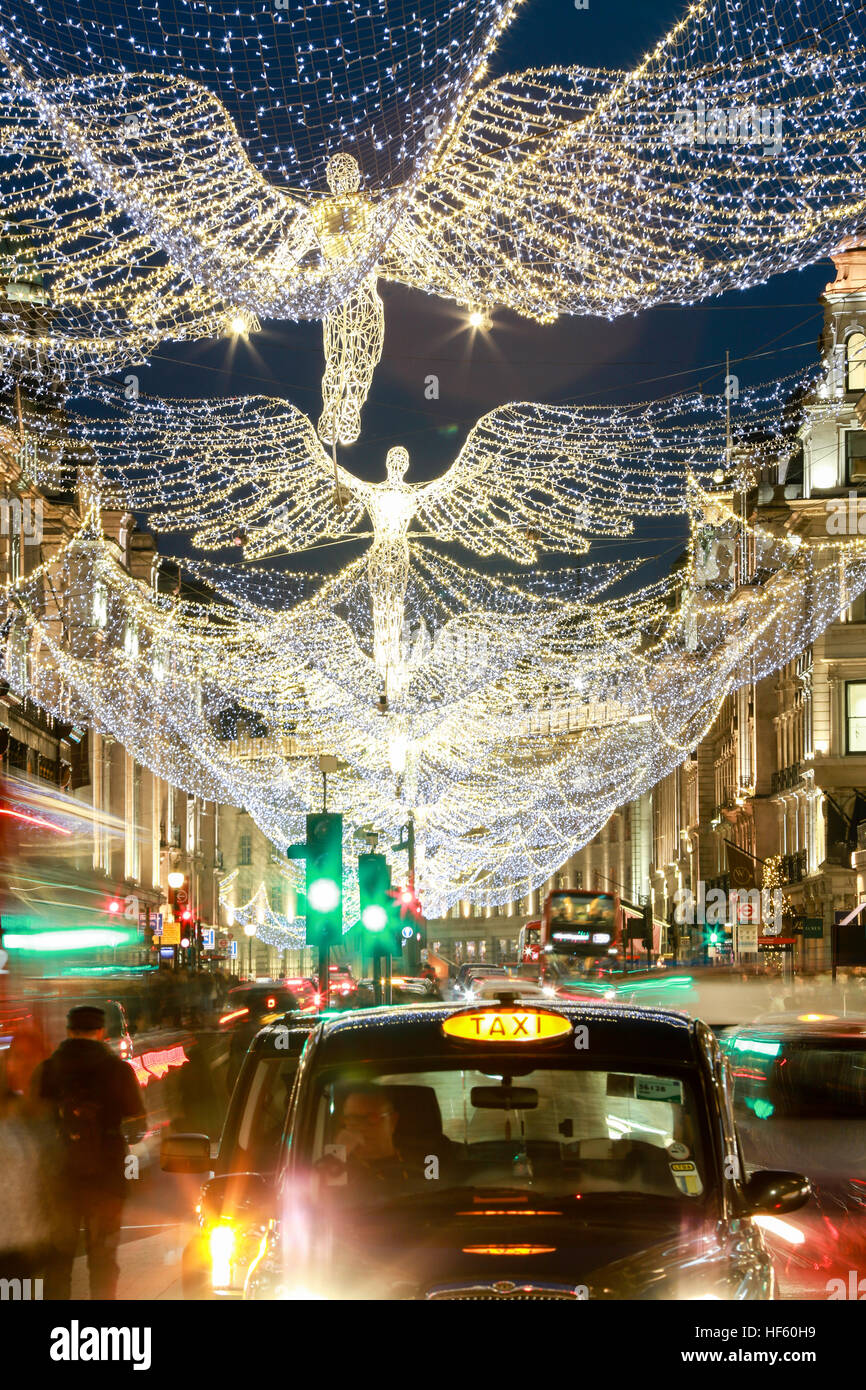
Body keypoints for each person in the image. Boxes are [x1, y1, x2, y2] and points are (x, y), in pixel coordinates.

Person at [32, 1004, 146, 1300]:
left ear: (69, 1031)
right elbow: (137, 1126)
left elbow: (33, 1126)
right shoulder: (118, 1070)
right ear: (101, 1032)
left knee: (58, 1263)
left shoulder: (47, 1071)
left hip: (59, 1182)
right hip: (106, 1182)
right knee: (103, 1261)